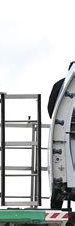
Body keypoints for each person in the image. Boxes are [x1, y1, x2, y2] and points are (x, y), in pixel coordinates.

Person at [48, 61, 74, 209]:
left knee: (58, 182)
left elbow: (52, 109)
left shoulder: (60, 85)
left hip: (63, 137)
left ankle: (55, 209)